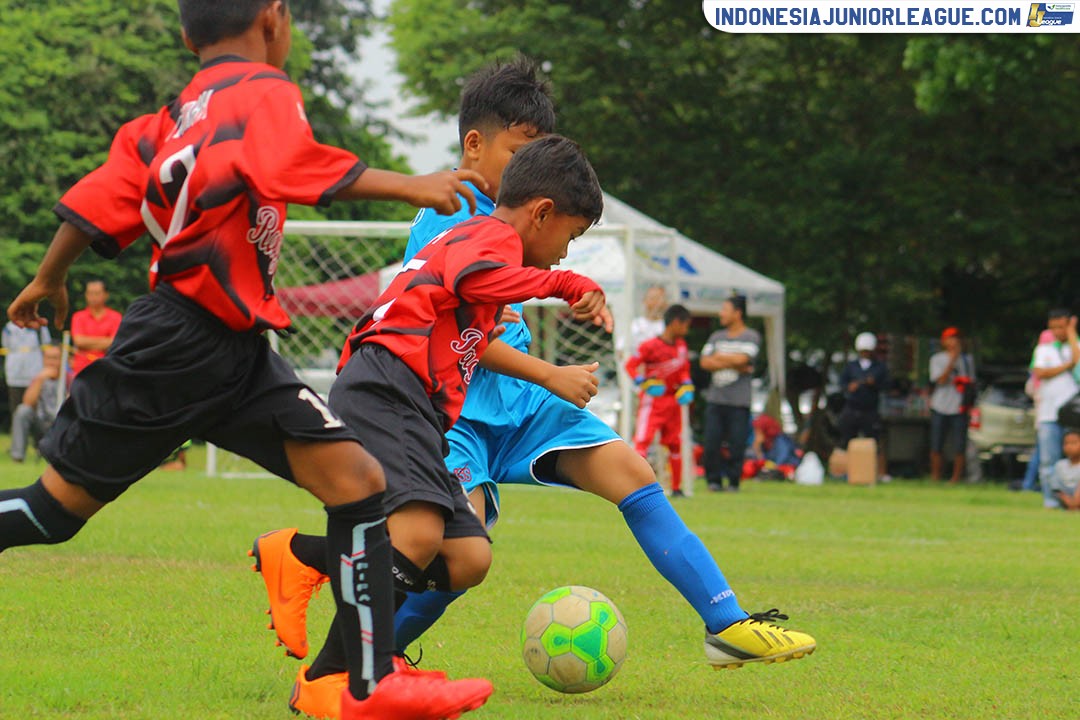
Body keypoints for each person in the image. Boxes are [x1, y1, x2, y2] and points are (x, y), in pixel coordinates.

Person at [250, 62, 814, 719]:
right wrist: (552, 356)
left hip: (517, 401)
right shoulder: (452, 209)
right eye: (519, 151)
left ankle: (727, 624)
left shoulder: (522, 230)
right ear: (475, 146)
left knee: (628, 472)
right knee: (445, 542)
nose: (526, 166)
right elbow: (446, 317)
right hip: (448, 402)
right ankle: (351, 668)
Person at [0, 2, 497, 718]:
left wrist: (49, 277)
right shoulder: (262, 91)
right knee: (53, 513)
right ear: (273, 18)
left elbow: (95, 204)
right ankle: (357, 676)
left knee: (359, 481)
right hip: (178, 345)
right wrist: (409, 183)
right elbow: (287, 164)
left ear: (183, 34)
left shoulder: (168, 119)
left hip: (232, 348)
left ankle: (351, 683)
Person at [625, 304, 695, 497]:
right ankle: (634, 485)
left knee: (674, 443)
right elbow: (631, 366)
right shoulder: (649, 346)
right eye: (685, 325)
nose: (687, 330)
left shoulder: (681, 346)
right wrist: (643, 382)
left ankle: (677, 487)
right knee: (643, 441)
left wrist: (687, 386)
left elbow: (684, 371)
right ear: (675, 323)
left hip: (673, 401)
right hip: (653, 401)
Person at [700, 295, 760, 492]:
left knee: (737, 444)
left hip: (739, 401)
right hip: (716, 400)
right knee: (711, 442)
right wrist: (734, 362)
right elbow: (704, 362)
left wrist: (718, 358)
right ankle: (713, 481)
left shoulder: (751, 336)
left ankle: (733, 482)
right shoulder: (716, 336)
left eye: (725, 309)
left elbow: (745, 359)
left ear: (738, 313)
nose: (721, 314)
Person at [1030, 310, 1080, 508]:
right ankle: (1051, 501)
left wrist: (1071, 334)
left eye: (1061, 326)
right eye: (1053, 327)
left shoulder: (1075, 345)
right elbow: (1040, 372)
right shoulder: (1044, 350)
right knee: (1049, 461)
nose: (1056, 331)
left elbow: (1078, 362)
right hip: (1049, 414)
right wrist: (1067, 365)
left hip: (1073, 416)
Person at [837, 332, 890, 480]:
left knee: (875, 441)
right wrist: (850, 387)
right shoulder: (851, 366)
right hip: (852, 407)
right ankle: (845, 471)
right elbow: (841, 384)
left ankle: (879, 473)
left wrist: (874, 384)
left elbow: (887, 385)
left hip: (870, 409)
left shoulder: (880, 367)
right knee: (846, 439)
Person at [928, 327, 976, 484]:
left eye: (956, 338)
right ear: (943, 341)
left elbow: (971, 383)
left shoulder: (967, 360)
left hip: (959, 407)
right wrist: (952, 361)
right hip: (940, 406)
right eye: (950, 338)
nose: (954, 341)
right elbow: (940, 380)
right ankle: (935, 477)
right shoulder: (937, 359)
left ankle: (956, 478)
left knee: (959, 445)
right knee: (936, 444)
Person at [9, 345, 63, 463]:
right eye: (48, 358)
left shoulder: (70, 378)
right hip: (41, 423)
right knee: (22, 410)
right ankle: (17, 457)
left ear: (63, 359)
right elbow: (27, 403)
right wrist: (40, 379)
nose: (51, 362)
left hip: (62, 425)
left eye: (55, 358)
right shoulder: (39, 377)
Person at [68, 280, 123, 379]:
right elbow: (79, 341)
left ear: (106, 295)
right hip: (82, 369)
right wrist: (105, 342)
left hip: (108, 368)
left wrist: (88, 343)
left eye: (97, 293)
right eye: (90, 293)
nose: (93, 297)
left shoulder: (116, 317)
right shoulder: (78, 317)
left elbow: (116, 342)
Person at [2, 320, 51, 426]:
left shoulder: (40, 327)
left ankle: (37, 437)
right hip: (15, 373)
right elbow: (5, 345)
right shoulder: (9, 328)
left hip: (35, 372)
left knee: (38, 408)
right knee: (16, 408)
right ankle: (17, 436)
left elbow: (47, 345)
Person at [744, 414, 801, 480]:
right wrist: (757, 448)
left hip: (784, 467)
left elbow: (782, 458)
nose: (756, 434)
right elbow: (760, 460)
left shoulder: (780, 440)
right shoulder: (764, 443)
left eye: (758, 431)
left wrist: (770, 466)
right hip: (770, 467)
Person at [629, 285, 669, 353]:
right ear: (644, 301)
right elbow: (621, 348)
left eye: (659, 298)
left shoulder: (668, 327)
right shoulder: (635, 324)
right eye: (652, 298)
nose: (656, 302)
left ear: (665, 303)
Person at [1049, 428, 1080, 510]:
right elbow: (1056, 488)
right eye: (1066, 443)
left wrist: (1075, 502)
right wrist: (1068, 501)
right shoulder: (1060, 465)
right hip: (1065, 500)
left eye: (1073, 443)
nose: (1069, 446)